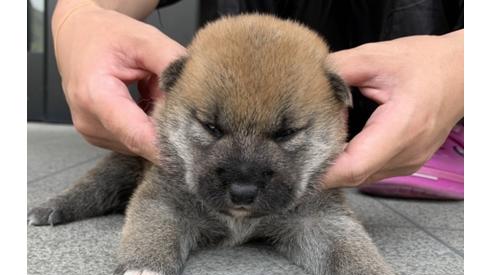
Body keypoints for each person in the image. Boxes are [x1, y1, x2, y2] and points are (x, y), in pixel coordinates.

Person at [52, 0, 464, 198]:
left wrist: (461, 63)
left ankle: (457, 132)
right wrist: (77, 16)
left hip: (400, 80)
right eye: (209, 127)